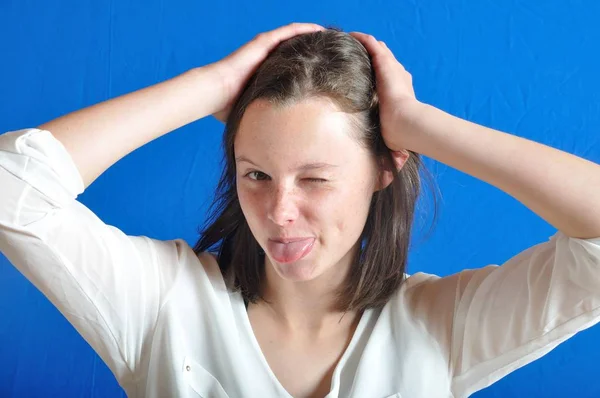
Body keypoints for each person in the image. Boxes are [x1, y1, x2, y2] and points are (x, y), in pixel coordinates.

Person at [1, 22, 600, 398]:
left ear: (384, 171)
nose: (279, 211)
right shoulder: (163, 303)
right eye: (256, 174)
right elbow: (11, 191)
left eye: (314, 178)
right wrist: (210, 85)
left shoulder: (444, 327)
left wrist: (420, 125)